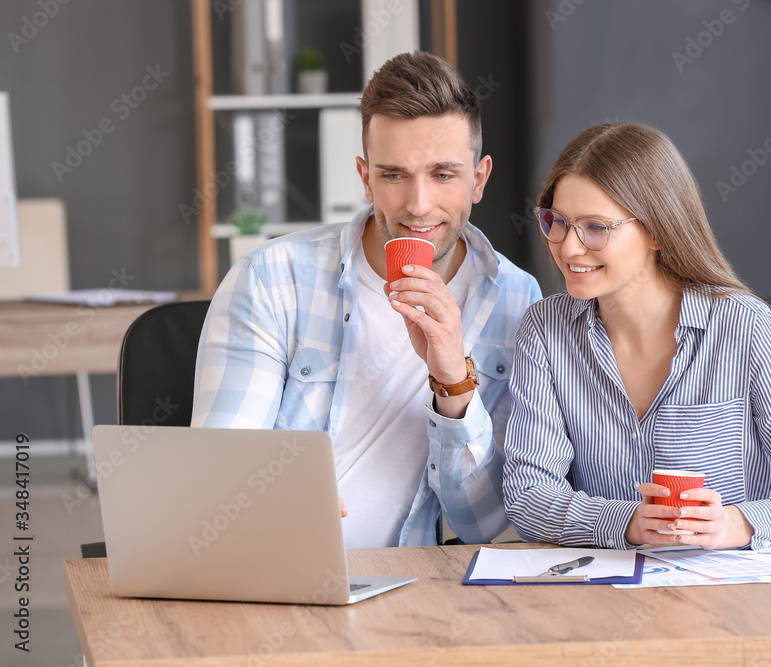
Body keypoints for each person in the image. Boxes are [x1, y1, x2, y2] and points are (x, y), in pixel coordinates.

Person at [191, 52, 541, 548]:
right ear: (365, 178)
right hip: (280, 567)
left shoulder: (517, 299)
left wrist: (453, 382)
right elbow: (218, 474)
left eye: (443, 175)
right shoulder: (272, 278)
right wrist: (271, 494)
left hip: (412, 585)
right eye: (394, 175)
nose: (418, 205)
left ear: (478, 180)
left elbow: (482, 524)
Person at [503, 123, 771, 550]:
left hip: (730, 603)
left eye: (596, 228)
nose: (567, 248)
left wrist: (739, 524)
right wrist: (625, 523)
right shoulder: (546, 332)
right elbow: (528, 495)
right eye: (558, 222)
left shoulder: (743, 328)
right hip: (602, 601)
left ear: (657, 231)